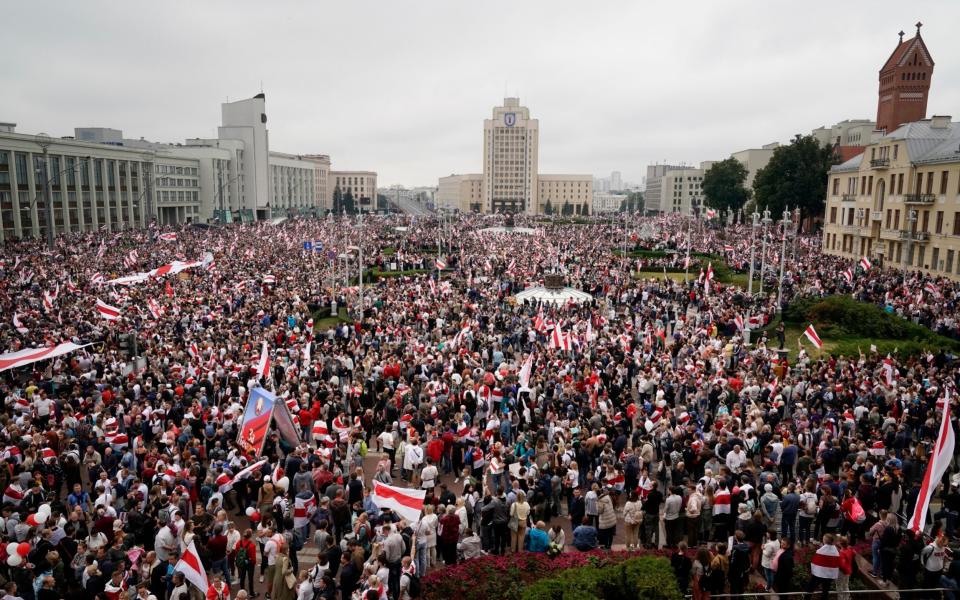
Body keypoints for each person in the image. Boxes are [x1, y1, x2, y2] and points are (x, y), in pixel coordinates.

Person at [807, 533, 840, 600]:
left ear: (825, 540)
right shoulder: (835, 551)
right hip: (829, 575)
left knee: (811, 587)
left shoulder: (821, 551)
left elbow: (815, 561)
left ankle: (807, 598)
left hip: (819, 574)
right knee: (826, 590)